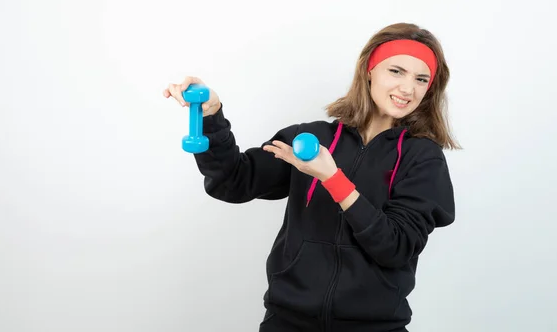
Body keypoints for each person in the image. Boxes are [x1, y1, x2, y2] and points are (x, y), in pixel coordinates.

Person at [163, 22, 459, 331]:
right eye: (396, 71)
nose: (408, 89)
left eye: (421, 78)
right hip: (287, 321)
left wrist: (333, 178)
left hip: (374, 327)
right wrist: (211, 115)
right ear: (369, 70)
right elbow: (232, 180)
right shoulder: (312, 138)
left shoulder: (422, 158)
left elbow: (395, 247)